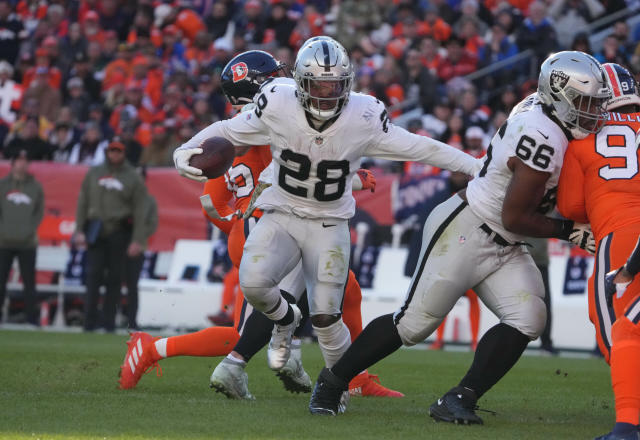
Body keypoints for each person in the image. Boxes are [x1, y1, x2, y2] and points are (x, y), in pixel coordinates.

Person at [174, 37, 480, 412]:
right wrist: (185, 149)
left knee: (326, 315)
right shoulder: (277, 101)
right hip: (282, 212)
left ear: (348, 82)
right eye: (317, 84)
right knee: (253, 283)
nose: (326, 92)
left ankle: (334, 388)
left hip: (329, 222)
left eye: (334, 84)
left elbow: (421, 147)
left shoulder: (363, 115)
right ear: (300, 82)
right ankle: (286, 320)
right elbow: (229, 129)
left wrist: (475, 167)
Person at [306, 50, 608, 418]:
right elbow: (515, 216)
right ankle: (332, 381)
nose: (592, 111)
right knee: (412, 325)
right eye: (584, 101)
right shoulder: (541, 135)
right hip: (468, 228)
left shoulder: (545, 117)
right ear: (558, 96)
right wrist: (570, 230)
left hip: (505, 242)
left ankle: (460, 398)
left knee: (529, 317)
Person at [120, 49, 401, 400]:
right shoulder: (274, 117)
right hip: (271, 226)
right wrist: (351, 179)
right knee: (246, 333)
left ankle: (353, 378)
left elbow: (211, 200)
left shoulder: (233, 130)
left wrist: (235, 223)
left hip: (256, 225)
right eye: (276, 72)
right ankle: (152, 349)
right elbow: (310, 167)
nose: (286, 76)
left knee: (346, 290)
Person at [557, 63, 640, 440]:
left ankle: (629, 418)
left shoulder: (583, 140)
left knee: (617, 329)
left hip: (620, 234)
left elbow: (571, 208)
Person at [74, 139, 148, 332]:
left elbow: (140, 211)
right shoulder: (94, 172)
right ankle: (88, 323)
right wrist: (79, 229)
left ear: (124, 153)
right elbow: (83, 201)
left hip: (119, 231)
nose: (115, 154)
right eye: (112, 151)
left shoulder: (132, 176)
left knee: (115, 279)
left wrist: (137, 240)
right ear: (107, 152)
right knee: (93, 276)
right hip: (95, 230)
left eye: (119, 151)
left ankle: (109, 323)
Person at [0, 150, 43, 325]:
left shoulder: (35, 186)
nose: (22, 163)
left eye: (25, 160)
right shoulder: (3, 185)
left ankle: (32, 320)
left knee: (29, 283)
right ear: (13, 163)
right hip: (3, 241)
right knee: (0, 282)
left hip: (28, 242)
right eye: (19, 160)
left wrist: (29, 229)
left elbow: (39, 212)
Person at [123, 165, 158, 330]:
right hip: (118, 246)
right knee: (113, 283)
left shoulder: (149, 201)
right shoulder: (122, 198)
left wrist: (137, 241)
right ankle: (110, 319)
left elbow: (152, 225)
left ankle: (131, 321)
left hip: (138, 247)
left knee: (132, 285)